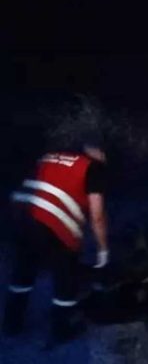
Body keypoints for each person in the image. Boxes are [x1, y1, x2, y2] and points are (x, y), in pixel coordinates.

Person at [2, 130, 109, 344]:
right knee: (66, 279)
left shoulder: (49, 156)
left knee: (23, 273)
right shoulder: (92, 167)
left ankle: (12, 325)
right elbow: (97, 216)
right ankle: (60, 330)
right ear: (98, 152)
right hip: (54, 225)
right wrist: (103, 250)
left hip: (22, 218)